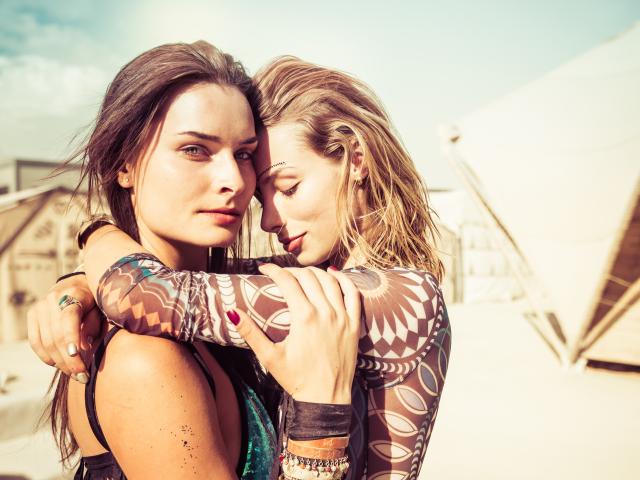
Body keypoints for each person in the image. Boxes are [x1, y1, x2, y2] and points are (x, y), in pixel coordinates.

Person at [30, 49, 452, 478]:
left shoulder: (400, 296)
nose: (237, 185)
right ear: (124, 164)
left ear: (355, 159)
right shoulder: (144, 356)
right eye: (194, 149)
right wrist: (80, 283)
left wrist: (95, 234)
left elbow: (143, 292)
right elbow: (157, 289)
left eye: (286, 185)